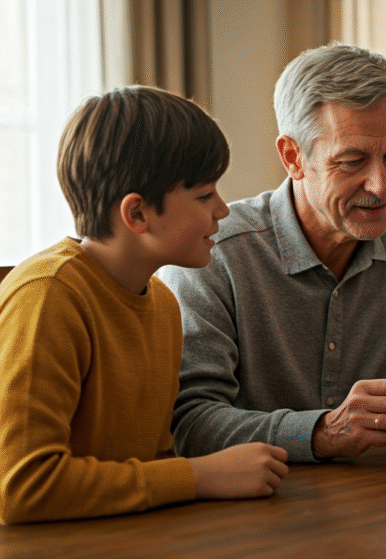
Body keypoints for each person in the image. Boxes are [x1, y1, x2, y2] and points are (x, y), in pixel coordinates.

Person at [0, 86, 289, 525]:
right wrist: (198, 475)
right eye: (204, 195)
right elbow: (22, 489)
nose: (223, 210)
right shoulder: (48, 297)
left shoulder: (164, 307)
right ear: (137, 215)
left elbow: (151, 465)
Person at [160, 43, 386, 463]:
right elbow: (190, 423)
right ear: (293, 158)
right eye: (352, 161)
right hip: (256, 510)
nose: (382, 186)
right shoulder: (216, 254)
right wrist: (322, 433)